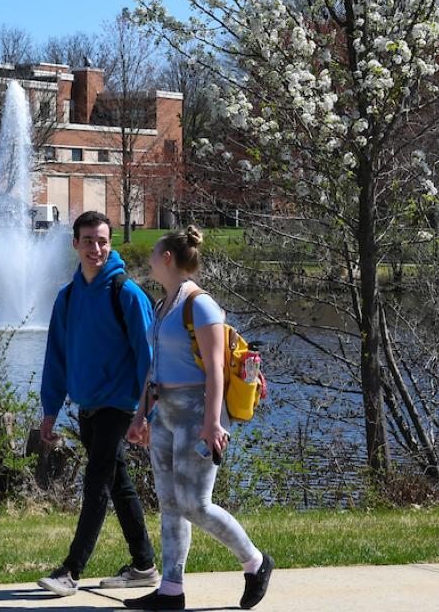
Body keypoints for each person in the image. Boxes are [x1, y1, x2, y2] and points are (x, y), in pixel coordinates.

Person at [124, 226, 274, 611]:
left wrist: (212, 423)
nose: (150, 259)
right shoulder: (162, 306)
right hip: (165, 411)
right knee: (170, 503)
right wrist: (141, 415)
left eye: (154, 253)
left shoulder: (200, 305)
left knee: (196, 504)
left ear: (168, 259)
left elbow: (217, 370)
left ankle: (255, 562)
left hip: (198, 411)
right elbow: (152, 367)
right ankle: (171, 591)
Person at [36, 210, 160, 597]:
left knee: (96, 484)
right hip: (86, 405)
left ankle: (70, 571)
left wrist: (146, 414)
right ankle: (144, 564)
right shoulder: (68, 296)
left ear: (112, 244)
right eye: (88, 240)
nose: (96, 248)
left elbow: (149, 359)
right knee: (119, 483)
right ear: (75, 244)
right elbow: (57, 356)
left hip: (119, 406)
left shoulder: (126, 292)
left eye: (103, 240)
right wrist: (50, 410)